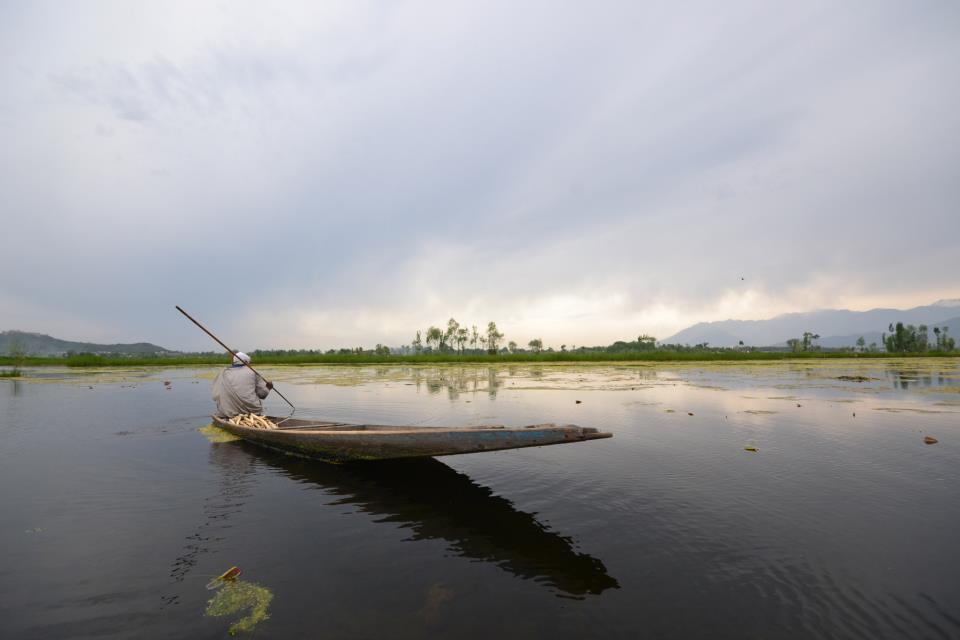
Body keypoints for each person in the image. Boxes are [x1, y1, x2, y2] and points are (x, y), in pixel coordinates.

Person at [212, 351, 274, 418]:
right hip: (252, 412)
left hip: (228, 412)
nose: (250, 365)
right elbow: (262, 395)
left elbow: (216, 394)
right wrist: (268, 388)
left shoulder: (224, 372)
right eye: (250, 363)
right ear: (246, 362)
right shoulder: (253, 372)